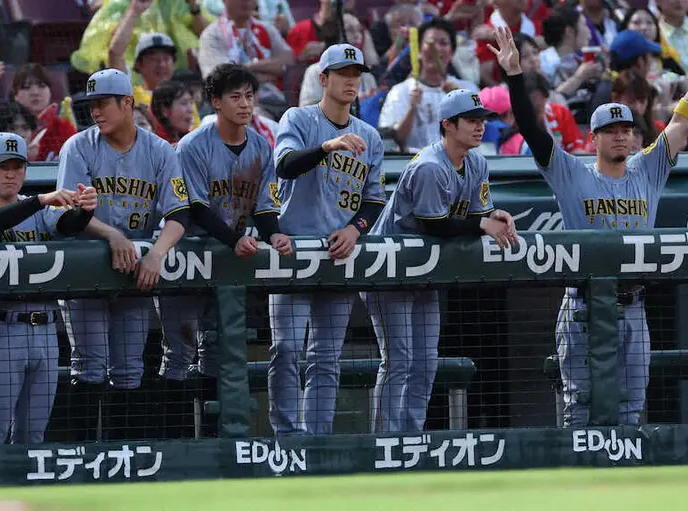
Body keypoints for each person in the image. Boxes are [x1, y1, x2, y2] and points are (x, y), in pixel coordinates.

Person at [488, 25, 688, 426]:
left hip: (633, 305)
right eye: (611, 131)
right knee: (581, 405)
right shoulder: (571, 172)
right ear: (593, 139)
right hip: (583, 306)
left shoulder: (647, 168)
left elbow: (681, 124)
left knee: (630, 406)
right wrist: (515, 78)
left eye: (626, 130)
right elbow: (531, 130)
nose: (621, 137)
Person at [363, 89, 518, 433]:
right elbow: (435, 223)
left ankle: (412, 433)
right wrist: (483, 224)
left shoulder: (476, 162)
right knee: (399, 361)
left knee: (426, 363)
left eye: (482, 121)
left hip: (425, 274)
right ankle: (385, 440)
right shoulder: (431, 166)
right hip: (389, 270)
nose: (480, 128)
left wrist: (495, 214)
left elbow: (477, 212)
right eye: (471, 121)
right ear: (448, 125)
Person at [56, 68, 191, 441]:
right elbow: (68, 216)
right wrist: (111, 233)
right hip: (87, 272)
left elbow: (179, 214)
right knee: (89, 367)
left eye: (103, 104)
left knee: (130, 369)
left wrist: (157, 254)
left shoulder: (160, 150)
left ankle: (123, 457)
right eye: (91, 105)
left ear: (127, 103)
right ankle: (82, 457)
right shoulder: (79, 147)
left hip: (134, 273)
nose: (95, 112)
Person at [160, 64, 290, 417]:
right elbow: (196, 209)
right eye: (235, 97)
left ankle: (216, 445)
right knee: (179, 353)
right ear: (215, 102)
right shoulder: (192, 146)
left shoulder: (261, 148)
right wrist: (234, 240)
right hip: (187, 255)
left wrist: (275, 233)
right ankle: (176, 443)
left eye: (249, 96)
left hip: (228, 259)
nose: (245, 104)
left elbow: (264, 207)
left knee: (219, 354)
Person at [269, 44, 386, 435]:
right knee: (285, 349)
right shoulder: (298, 119)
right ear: (324, 79)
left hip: (337, 254)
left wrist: (356, 230)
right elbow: (284, 166)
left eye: (356, 74)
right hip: (295, 251)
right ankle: (286, 437)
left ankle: (316, 439)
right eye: (343, 73)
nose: (352, 80)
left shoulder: (369, 135)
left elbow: (373, 200)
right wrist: (326, 147)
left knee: (326, 357)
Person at [0, 133, 98, 445]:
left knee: (33, 436)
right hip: (1, 326)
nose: (11, 173)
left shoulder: (40, 210)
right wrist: (40, 200)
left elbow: (66, 225)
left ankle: (26, 496)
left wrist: (85, 210)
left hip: (47, 328)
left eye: (17, 166)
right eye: (2, 166)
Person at [379, 18, 478, 154]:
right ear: (419, 50)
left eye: (443, 43)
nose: (435, 49)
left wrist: (461, 103)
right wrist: (412, 109)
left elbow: (477, 136)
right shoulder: (400, 91)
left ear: (452, 52)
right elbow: (392, 141)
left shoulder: (468, 90)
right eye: (430, 43)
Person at [197, 0, 293, 104]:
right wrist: (264, 73)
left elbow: (288, 63)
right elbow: (217, 78)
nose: (246, 1)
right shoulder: (212, 34)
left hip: (276, 99)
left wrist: (248, 67)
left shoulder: (266, 29)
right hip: (234, 105)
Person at [107, 1, 188, 106]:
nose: (162, 64)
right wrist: (134, 11)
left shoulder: (185, 101)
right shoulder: (129, 95)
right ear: (138, 65)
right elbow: (115, 53)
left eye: (166, 59)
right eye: (155, 60)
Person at [299, 14, 378, 107]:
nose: (357, 36)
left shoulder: (367, 76)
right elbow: (307, 112)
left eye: (359, 30)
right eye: (350, 30)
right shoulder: (315, 71)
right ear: (336, 34)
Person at [10, 63, 78, 162]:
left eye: (42, 86)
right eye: (26, 87)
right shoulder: (5, 128)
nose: (35, 92)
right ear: (15, 95)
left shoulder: (64, 128)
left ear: (50, 92)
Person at [150, 79, 194, 145]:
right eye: (184, 103)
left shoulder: (192, 139)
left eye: (191, 102)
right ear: (164, 110)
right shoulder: (153, 144)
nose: (190, 109)